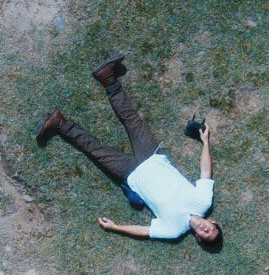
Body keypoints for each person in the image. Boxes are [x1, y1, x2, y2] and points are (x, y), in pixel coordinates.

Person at [38, 55, 220, 245]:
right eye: (212, 229)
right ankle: (107, 77)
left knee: (94, 149)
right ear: (212, 222)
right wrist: (205, 142)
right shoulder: (203, 201)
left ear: (199, 238)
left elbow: (145, 231)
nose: (207, 230)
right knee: (130, 119)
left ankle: (58, 122)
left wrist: (115, 227)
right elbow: (205, 172)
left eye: (207, 236)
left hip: (130, 174)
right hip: (152, 156)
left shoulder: (174, 230)